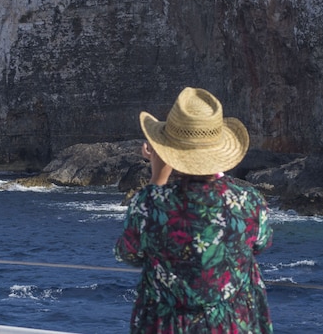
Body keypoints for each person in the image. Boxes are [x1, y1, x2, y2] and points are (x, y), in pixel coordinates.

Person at [114, 87, 273, 334]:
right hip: (233, 326)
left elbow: (128, 253)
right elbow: (261, 243)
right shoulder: (249, 201)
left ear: (168, 151)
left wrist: (157, 177)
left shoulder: (150, 203)